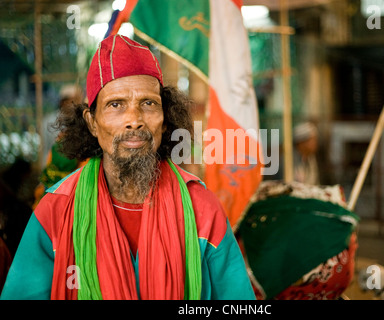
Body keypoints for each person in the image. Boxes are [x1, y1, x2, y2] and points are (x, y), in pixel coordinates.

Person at [1, 35, 255, 300]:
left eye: (148, 103)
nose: (134, 120)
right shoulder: (56, 212)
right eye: (116, 105)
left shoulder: (201, 208)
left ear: (165, 120)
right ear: (92, 122)